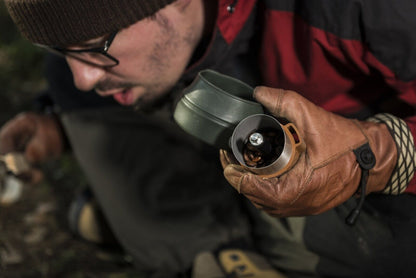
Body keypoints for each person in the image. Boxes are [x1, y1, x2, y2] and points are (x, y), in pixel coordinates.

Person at [1, 0, 416, 277]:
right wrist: (59, 124)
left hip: (357, 160)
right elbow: (84, 73)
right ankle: (216, 249)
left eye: (95, 48)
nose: (84, 74)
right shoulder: (115, 58)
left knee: (378, 249)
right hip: (241, 129)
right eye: (60, 49)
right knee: (73, 86)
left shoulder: (367, 10)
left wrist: (378, 154)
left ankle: (173, 226)